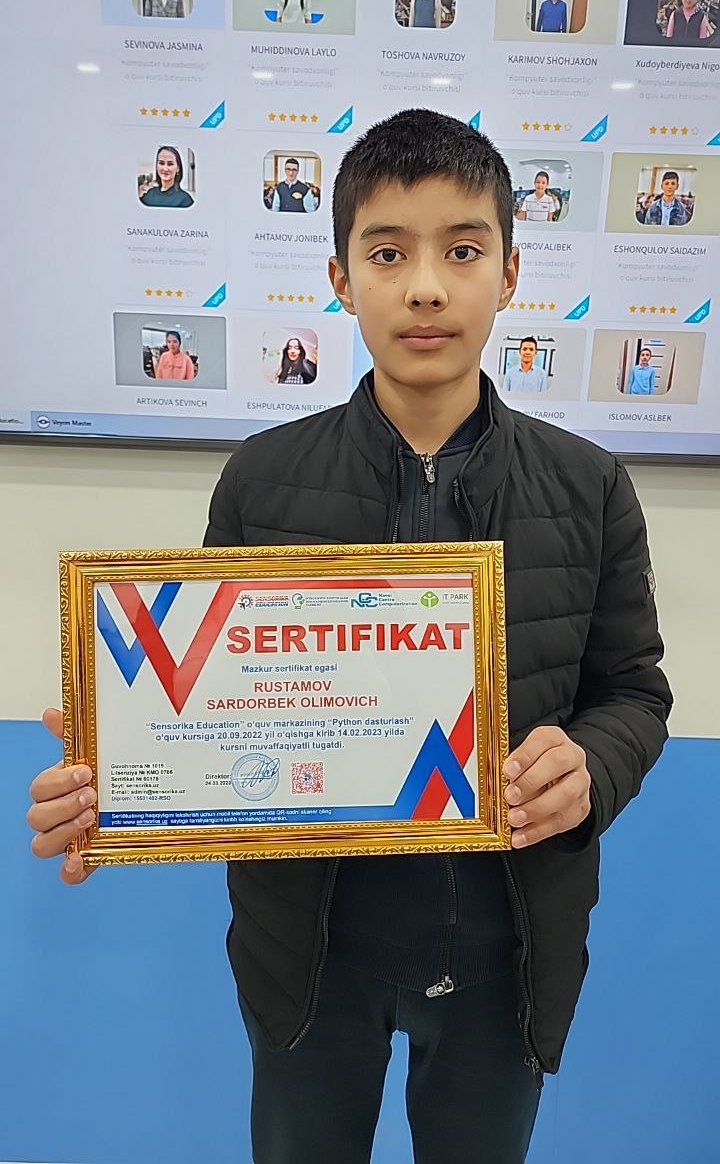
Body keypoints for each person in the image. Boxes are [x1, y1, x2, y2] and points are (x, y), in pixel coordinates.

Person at [28, 109, 672, 1164]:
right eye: (387, 253)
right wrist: (123, 774)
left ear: (510, 272)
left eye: (462, 250)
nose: (426, 287)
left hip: (509, 956)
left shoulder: (589, 485)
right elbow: (210, 704)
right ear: (339, 277)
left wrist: (591, 767)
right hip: (308, 956)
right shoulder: (263, 479)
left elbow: (635, 694)